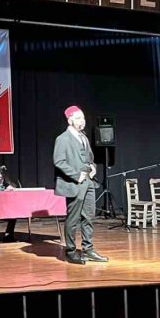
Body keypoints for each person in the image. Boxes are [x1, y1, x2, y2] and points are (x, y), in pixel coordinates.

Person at [53, 106, 108, 264]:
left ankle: (88, 249)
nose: (82, 121)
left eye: (83, 118)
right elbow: (59, 161)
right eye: (78, 118)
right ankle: (70, 251)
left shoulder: (83, 137)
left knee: (88, 216)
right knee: (73, 218)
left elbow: (89, 159)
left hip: (88, 182)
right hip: (74, 183)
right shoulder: (63, 139)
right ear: (70, 120)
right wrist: (77, 175)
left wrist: (93, 167)